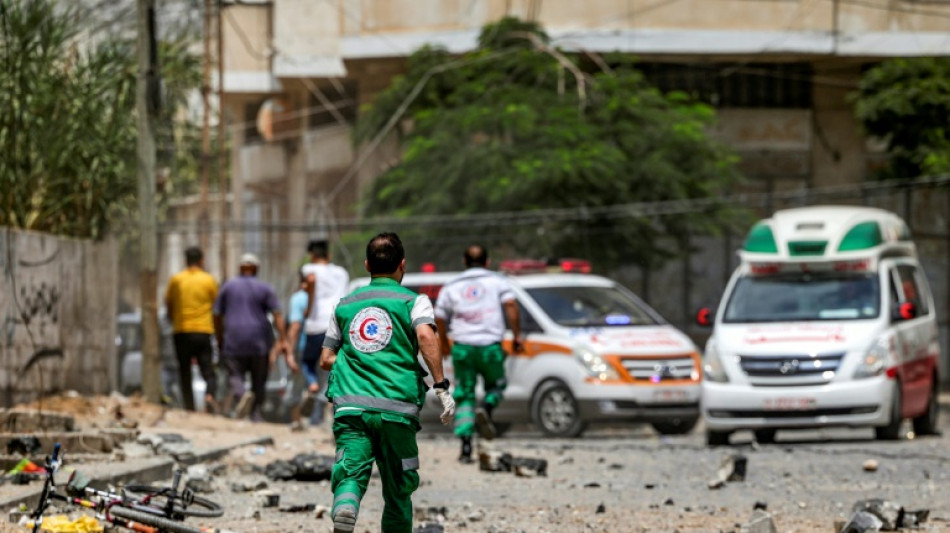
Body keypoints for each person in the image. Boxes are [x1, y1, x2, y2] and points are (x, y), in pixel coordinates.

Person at [319, 232, 455, 533]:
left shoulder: (344, 305)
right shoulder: (414, 302)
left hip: (351, 406)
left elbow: (326, 359)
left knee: (350, 472)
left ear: (367, 265)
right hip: (397, 409)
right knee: (398, 487)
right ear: (402, 265)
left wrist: (357, 359)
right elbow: (425, 335)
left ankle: (345, 506)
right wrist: (441, 386)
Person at [435, 244, 523, 463]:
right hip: (490, 346)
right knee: (497, 385)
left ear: (464, 262)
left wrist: (444, 344)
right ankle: (486, 408)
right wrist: (517, 336)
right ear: (487, 262)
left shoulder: (452, 285)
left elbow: (439, 317)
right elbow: (511, 305)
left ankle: (466, 448)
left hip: (463, 348)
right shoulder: (497, 281)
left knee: (464, 394)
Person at [213, 253, 293, 421]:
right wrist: (283, 339)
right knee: (259, 379)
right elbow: (277, 315)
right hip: (259, 340)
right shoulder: (265, 288)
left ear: (240, 268)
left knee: (235, 374)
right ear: (256, 269)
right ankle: (255, 414)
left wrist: (219, 337)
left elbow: (216, 315)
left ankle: (242, 394)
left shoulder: (228, 287)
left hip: (234, 338)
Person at [164, 246, 219, 413]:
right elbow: (216, 306)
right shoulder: (208, 280)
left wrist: (174, 319)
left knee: (184, 371)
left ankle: (190, 407)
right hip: (203, 331)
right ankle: (209, 396)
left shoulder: (176, 280)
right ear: (201, 261)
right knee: (207, 369)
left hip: (182, 331)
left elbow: (168, 304)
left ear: (185, 261)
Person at [301, 239, 350, 425]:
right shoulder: (342, 272)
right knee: (333, 365)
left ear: (312, 255)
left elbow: (311, 281)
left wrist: (309, 307)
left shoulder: (309, 269)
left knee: (308, 362)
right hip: (338, 324)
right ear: (328, 255)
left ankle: (313, 385)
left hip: (316, 324)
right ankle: (325, 399)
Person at [285, 270, 317, 430]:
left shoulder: (298, 299)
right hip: (325, 347)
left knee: (296, 384)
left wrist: (289, 353)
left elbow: (295, 327)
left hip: (302, 348)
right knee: (323, 383)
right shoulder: (323, 298)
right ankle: (322, 422)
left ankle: (296, 421)